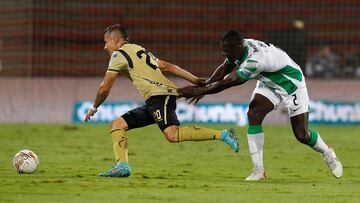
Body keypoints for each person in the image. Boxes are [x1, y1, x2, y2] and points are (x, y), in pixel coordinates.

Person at [178, 30, 343, 180]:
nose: (224, 53)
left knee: (302, 135)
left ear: (237, 46)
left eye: (226, 50)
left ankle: (327, 152)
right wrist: (204, 86)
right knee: (253, 114)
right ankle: (259, 171)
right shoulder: (240, 47)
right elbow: (225, 68)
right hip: (269, 81)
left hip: (290, 83)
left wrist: (199, 91)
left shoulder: (255, 61)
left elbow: (229, 82)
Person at [83, 24, 239, 178]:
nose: (105, 47)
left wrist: (94, 107)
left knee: (172, 134)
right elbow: (169, 66)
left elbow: (104, 88)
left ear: (115, 39)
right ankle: (122, 166)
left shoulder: (118, 55)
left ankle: (225, 135)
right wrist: (196, 80)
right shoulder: (139, 49)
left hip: (160, 97)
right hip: (155, 100)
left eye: (106, 42)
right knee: (117, 125)